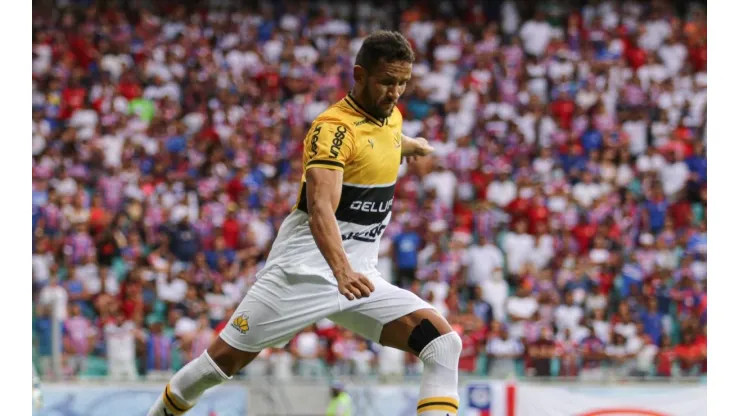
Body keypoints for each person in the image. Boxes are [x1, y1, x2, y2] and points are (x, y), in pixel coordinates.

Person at [147, 30, 462, 416]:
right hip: (305, 271)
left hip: (360, 277)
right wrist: (341, 270)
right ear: (359, 75)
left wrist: (409, 145)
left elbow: (386, 138)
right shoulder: (332, 130)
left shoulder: (391, 117)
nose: (395, 92)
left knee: (442, 343)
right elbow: (320, 207)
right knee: (220, 364)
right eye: (386, 82)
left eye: (402, 83)